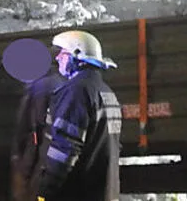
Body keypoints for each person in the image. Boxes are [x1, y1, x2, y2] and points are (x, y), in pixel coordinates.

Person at [33, 30, 121, 201]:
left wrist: (46, 190)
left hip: (78, 192)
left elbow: (65, 146)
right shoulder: (105, 91)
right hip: (104, 192)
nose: (58, 58)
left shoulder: (76, 92)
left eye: (63, 53)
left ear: (77, 57)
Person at [11, 69, 65, 201]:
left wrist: (23, 169)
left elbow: (30, 130)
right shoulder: (62, 83)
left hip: (38, 161)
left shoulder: (38, 88)